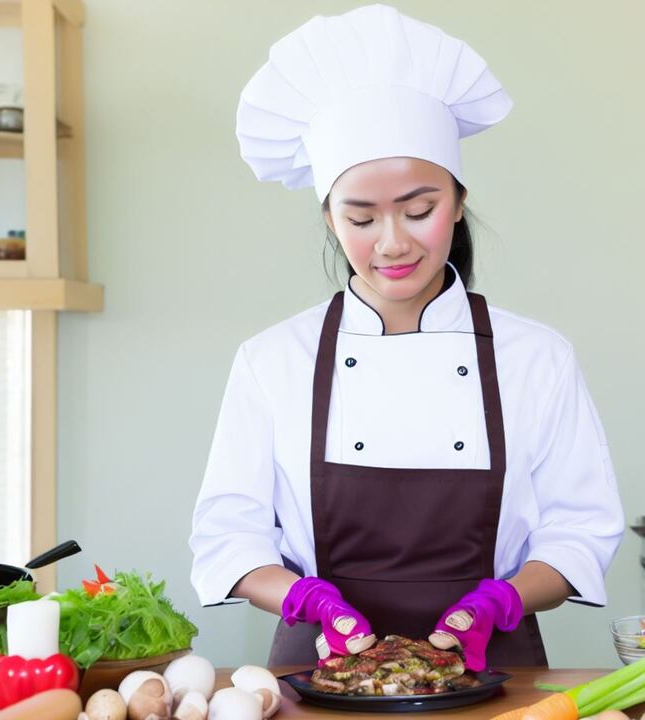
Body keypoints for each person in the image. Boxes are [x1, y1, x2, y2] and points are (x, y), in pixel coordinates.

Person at [189, 4, 623, 669]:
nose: (392, 243)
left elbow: (580, 528)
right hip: (319, 673)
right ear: (330, 219)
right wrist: (304, 598)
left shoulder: (537, 358)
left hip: (495, 673)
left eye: (420, 210)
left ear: (457, 199)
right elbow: (229, 534)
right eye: (361, 217)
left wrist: (503, 600)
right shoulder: (274, 360)